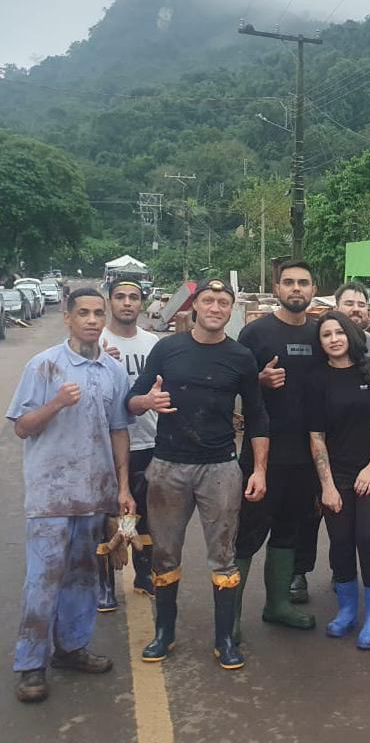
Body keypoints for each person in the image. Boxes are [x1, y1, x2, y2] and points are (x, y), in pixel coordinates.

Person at [128, 278, 269, 671]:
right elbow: (133, 401)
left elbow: (257, 416)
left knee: (223, 557)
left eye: (224, 302)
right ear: (195, 306)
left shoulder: (241, 357)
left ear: (230, 310)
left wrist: (259, 469)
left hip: (221, 468)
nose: (216, 307)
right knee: (165, 552)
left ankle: (224, 639)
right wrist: (147, 400)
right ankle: (164, 633)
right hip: (168, 466)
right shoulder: (167, 349)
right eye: (209, 300)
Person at [7, 288, 135, 703]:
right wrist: (57, 403)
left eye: (99, 312)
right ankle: (30, 665)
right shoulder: (44, 366)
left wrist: (123, 487)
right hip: (50, 495)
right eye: (84, 312)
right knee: (43, 581)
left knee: (82, 578)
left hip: (94, 493)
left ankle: (72, 649)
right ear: (67, 317)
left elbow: (119, 429)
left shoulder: (113, 371)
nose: (93, 320)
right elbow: (22, 427)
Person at [231, 261, 322, 641]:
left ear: (314, 289)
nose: (296, 289)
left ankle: (278, 604)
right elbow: (228, 381)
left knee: (289, 532)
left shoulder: (322, 333)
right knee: (246, 536)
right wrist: (258, 379)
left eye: (303, 283)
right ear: (277, 288)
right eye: (289, 282)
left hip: (307, 458)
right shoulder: (255, 333)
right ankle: (229, 616)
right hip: (262, 456)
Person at [306, 311, 370, 650]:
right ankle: (347, 610)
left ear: (349, 334)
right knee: (341, 540)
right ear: (319, 343)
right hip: (338, 474)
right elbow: (316, 437)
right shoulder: (317, 379)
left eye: (338, 332)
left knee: (368, 535)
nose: (333, 339)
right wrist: (327, 485)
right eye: (326, 335)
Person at [290, 280, 370, 599]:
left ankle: (346, 575)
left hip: (364, 450)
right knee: (314, 511)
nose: (356, 309)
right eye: (349, 303)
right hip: (321, 441)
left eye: (362, 304)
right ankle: (300, 571)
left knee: (358, 526)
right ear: (337, 309)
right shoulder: (320, 342)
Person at [100, 277, 161, 606]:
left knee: (146, 515)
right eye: (120, 296)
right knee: (107, 518)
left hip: (148, 441)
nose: (127, 303)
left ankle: (144, 574)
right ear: (109, 301)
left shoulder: (153, 342)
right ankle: (105, 583)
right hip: (105, 447)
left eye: (133, 297)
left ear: (142, 303)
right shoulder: (96, 340)